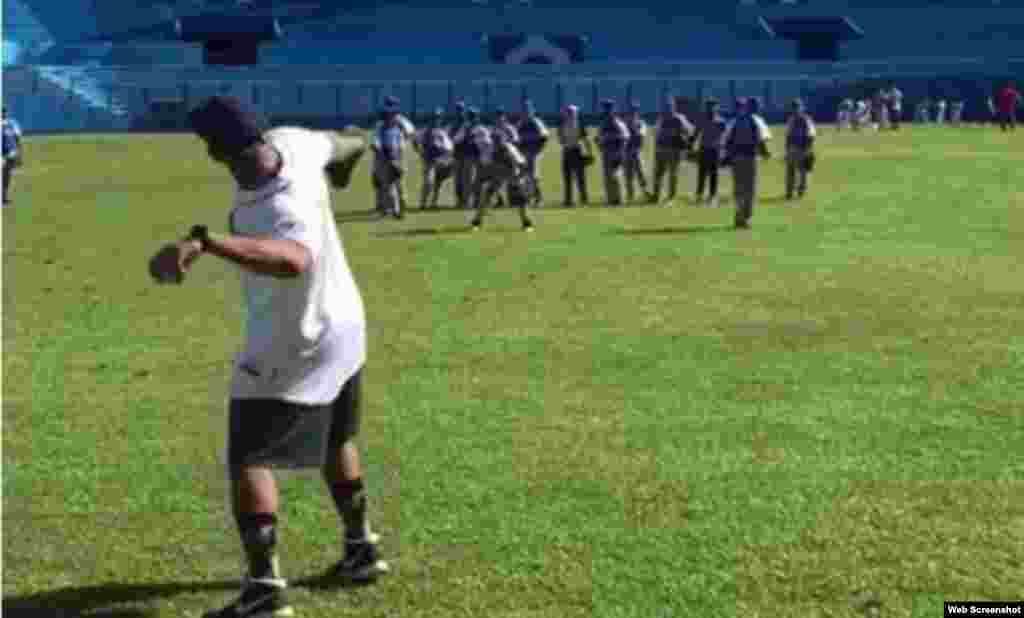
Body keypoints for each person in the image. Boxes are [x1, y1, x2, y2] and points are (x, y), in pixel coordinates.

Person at [147, 96, 387, 618]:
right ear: (260, 129)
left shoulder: (268, 207)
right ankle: (361, 547)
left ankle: (263, 589)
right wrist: (344, 167)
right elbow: (352, 139)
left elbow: (294, 259)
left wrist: (207, 241)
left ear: (213, 153)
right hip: (345, 325)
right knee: (337, 437)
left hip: (291, 341)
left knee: (248, 457)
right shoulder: (294, 141)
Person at [467, 108, 534, 230]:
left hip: (512, 173)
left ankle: (527, 223)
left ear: (503, 140)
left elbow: (522, 163)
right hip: (497, 173)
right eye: (495, 140)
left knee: (520, 198)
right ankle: (477, 221)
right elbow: (485, 164)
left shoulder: (509, 148)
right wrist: (486, 176)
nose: (496, 143)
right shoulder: (490, 149)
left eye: (499, 140)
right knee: (486, 196)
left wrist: (520, 178)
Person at [721, 97, 772, 229]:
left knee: (738, 189)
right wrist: (766, 154)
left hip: (736, 158)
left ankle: (739, 216)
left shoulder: (734, 121)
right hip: (750, 158)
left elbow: (726, 140)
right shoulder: (756, 120)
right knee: (749, 189)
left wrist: (726, 156)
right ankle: (745, 216)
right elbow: (761, 139)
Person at [370, 97, 412, 219]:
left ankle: (397, 208)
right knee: (389, 185)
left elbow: (408, 135)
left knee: (394, 185)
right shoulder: (383, 126)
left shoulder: (398, 124)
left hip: (394, 157)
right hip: (388, 158)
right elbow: (375, 144)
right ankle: (393, 209)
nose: (390, 116)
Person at [651, 96, 695, 205]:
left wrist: (683, 139)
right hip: (661, 149)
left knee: (672, 174)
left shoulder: (679, 118)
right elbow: (656, 132)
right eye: (666, 106)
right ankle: (656, 196)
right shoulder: (661, 118)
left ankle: (671, 197)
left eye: (669, 106)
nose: (667, 108)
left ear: (674, 106)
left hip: (674, 150)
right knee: (658, 174)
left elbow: (690, 130)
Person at [691, 98, 727, 206]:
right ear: (705, 107)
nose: (711, 108)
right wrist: (690, 145)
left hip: (715, 150)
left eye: (713, 106)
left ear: (717, 107)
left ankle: (713, 197)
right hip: (703, 149)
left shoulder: (721, 121)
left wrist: (724, 150)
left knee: (714, 174)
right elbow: (695, 133)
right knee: (701, 173)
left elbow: (725, 136)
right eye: (708, 106)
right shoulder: (701, 119)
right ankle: (699, 196)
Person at [417, 107, 455, 210]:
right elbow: (416, 141)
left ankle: (433, 203)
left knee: (438, 183)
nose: (436, 119)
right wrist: (421, 152)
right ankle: (423, 204)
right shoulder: (425, 131)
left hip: (441, 161)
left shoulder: (442, 131)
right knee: (428, 182)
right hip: (429, 161)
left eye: (438, 117)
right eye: (435, 117)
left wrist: (446, 155)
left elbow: (449, 147)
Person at [595, 99, 630, 206]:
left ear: (613, 110)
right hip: (606, 153)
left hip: (616, 153)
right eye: (605, 109)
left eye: (608, 109)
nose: (606, 111)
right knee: (607, 177)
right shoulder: (603, 123)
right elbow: (599, 138)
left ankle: (618, 199)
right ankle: (610, 199)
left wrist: (620, 152)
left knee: (615, 177)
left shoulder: (618, 123)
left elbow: (625, 137)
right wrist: (599, 143)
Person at [557, 104, 592, 207]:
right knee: (569, 177)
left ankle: (580, 199)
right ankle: (570, 200)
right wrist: (589, 151)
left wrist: (589, 151)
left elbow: (585, 139)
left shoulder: (574, 124)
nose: (569, 113)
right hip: (570, 150)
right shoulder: (570, 123)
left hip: (575, 150)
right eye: (569, 112)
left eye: (571, 112)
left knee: (578, 177)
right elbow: (561, 138)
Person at [517, 99, 549, 207]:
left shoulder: (536, 122)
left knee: (534, 177)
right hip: (524, 154)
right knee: (525, 177)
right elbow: (517, 140)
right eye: (524, 109)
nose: (525, 111)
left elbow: (545, 137)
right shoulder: (521, 123)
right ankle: (527, 199)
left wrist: (537, 151)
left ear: (532, 110)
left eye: (527, 109)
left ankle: (539, 199)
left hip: (534, 153)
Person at [784, 98, 816, 201]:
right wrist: (787, 149)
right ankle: (790, 192)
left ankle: (800, 191)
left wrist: (808, 149)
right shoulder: (792, 119)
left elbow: (811, 135)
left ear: (801, 108)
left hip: (802, 148)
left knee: (802, 172)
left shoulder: (805, 119)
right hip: (794, 148)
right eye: (794, 107)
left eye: (797, 107)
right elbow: (788, 136)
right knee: (792, 171)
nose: (795, 109)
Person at [623, 101, 652, 203]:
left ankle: (646, 193)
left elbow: (641, 136)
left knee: (641, 174)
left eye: (634, 111)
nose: (632, 113)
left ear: (637, 112)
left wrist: (633, 126)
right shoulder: (624, 123)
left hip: (636, 151)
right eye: (631, 111)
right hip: (625, 152)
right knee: (628, 175)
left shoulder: (641, 123)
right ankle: (630, 196)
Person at [2, 107, 23, 205]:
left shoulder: (12, 123)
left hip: (11, 152)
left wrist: (19, 153)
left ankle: (4, 196)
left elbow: (17, 138)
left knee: (7, 175)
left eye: (4, 111)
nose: (3, 113)